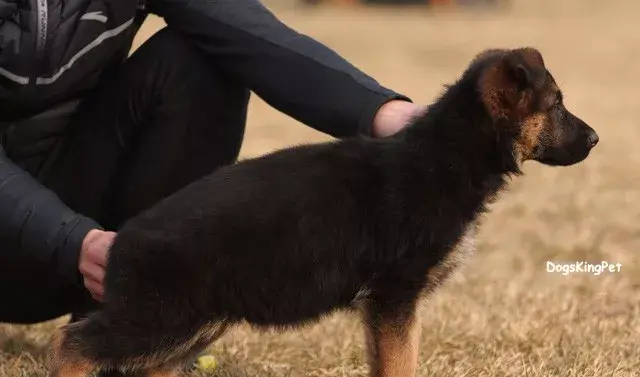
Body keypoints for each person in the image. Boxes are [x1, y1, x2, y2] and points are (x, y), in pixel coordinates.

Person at [0, 0, 424, 325]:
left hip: (84, 235)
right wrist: (71, 240)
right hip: (29, 246)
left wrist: (386, 113)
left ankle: (139, 325)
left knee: (202, 59)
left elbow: (251, 33)